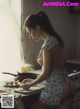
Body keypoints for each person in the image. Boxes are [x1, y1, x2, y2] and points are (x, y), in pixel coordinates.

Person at [20, 11, 76, 109]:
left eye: (30, 32)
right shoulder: (55, 40)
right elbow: (53, 71)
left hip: (56, 89)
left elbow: (46, 74)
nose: (30, 36)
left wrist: (30, 85)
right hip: (68, 86)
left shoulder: (47, 46)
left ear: (37, 28)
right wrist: (34, 80)